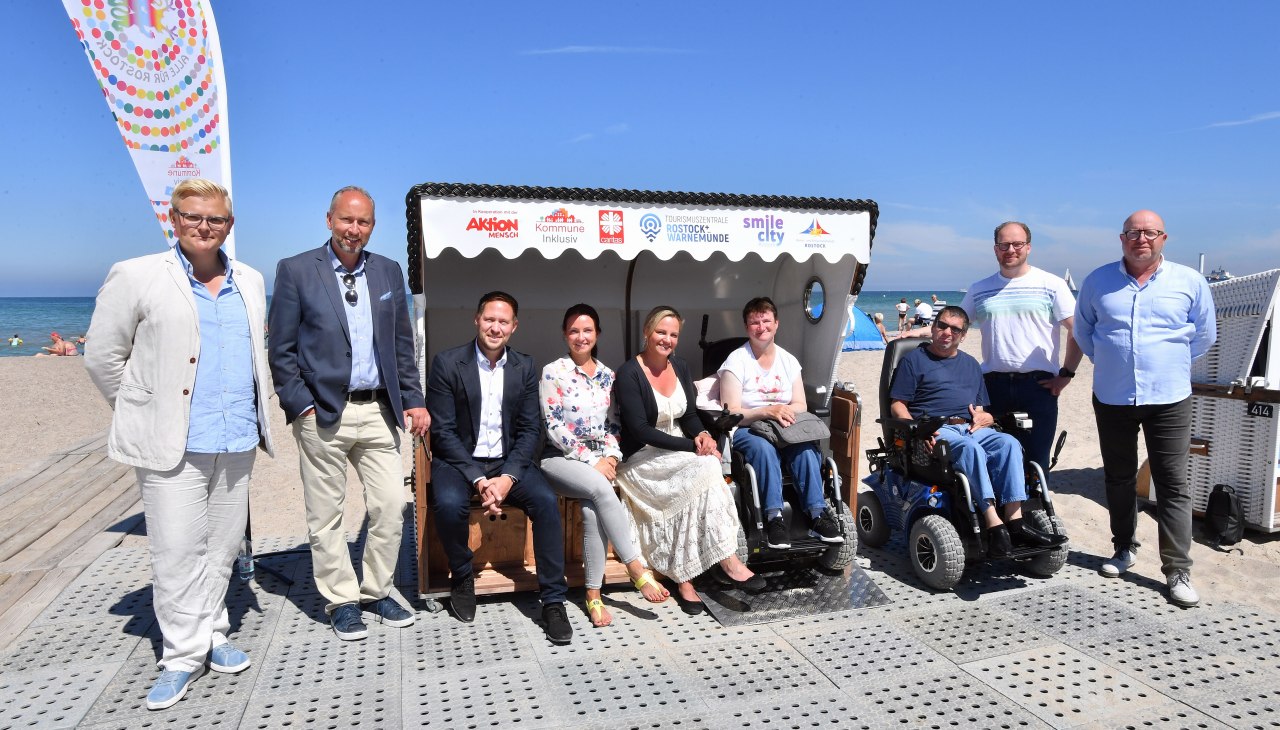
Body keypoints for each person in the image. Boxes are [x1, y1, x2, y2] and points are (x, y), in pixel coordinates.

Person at [84, 178, 273, 710]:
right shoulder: (138, 275)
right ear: (174, 218)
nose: (204, 226)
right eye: (193, 216)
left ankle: (212, 630)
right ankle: (181, 655)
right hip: (173, 444)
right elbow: (102, 356)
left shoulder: (252, 281)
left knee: (221, 547)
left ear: (229, 226)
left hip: (237, 437)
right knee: (175, 550)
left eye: (215, 219)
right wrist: (144, 410)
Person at [268, 186, 428, 641]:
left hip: (379, 408)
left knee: (391, 506)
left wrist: (413, 398)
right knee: (327, 514)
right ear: (329, 220)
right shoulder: (297, 270)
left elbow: (402, 346)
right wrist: (299, 404)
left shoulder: (388, 271)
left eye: (363, 223)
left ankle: (376, 591)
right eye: (346, 220)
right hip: (322, 413)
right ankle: (341, 599)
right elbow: (281, 349)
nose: (354, 230)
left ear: (373, 226)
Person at [1074, 210, 1215, 608]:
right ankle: (1123, 549)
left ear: (1163, 238)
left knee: (1173, 484)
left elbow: (1204, 335)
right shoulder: (1097, 281)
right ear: (1122, 239)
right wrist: (1113, 361)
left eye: (1149, 232)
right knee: (1118, 477)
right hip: (1112, 395)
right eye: (1133, 232)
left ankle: (1177, 570)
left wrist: (1164, 362)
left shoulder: (1189, 281)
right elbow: (1084, 332)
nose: (1141, 239)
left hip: (1169, 396)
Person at [427, 291, 573, 643]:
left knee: (546, 503)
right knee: (447, 503)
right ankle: (461, 573)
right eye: (489, 319)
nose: (495, 327)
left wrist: (507, 477)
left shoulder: (524, 366)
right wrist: (479, 479)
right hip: (461, 460)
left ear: (514, 326)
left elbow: (529, 429)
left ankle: (553, 599)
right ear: (476, 320)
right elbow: (443, 432)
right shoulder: (447, 363)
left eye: (503, 321)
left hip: (508, 462)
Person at [614, 306, 764, 615]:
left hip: (678, 452)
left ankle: (697, 573)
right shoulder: (629, 373)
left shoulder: (680, 366)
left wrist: (703, 436)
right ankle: (722, 563)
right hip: (642, 458)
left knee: (708, 465)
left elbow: (691, 416)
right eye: (661, 332)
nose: (666, 339)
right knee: (704, 468)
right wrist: (690, 445)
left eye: (673, 335)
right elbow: (639, 430)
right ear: (646, 332)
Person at [888, 306, 1068, 555]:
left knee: (1009, 443)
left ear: (963, 335)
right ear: (933, 327)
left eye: (955, 329)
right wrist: (918, 431)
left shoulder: (971, 364)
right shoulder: (914, 360)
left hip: (969, 426)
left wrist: (985, 416)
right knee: (970, 448)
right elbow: (898, 404)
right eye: (942, 326)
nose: (946, 332)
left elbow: (980, 407)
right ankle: (994, 524)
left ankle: (1014, 521)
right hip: (937, 429)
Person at [540, 303, 669, 627]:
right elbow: (553, 427)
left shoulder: (608, 376)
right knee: (598, 487)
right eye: (573, 330)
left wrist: (611, 457)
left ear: (597, 333)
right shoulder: (553, 372)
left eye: (587, 330)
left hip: (599, 462)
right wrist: (592, 461)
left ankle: (593, 596)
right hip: (558, 458)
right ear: (564, 334)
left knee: (591, 508)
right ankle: (635, 567)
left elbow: (614, 426)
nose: (580, 336)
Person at [718, 297, 843, 550]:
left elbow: (800, 404)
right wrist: (767, 411)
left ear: (776, 324)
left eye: (766, 320)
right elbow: (732, 412)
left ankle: (817, 514)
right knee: (764, 450)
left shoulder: (788, 361)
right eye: (755, 322)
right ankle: (774, 517)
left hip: (784, 425)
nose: (761, 326)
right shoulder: (736, 361)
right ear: (746, 327)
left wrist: (781, 413)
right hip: (747, 428)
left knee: (806, 448)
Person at [961, 221, 1084, 470]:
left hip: (1038, 386)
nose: (1011, 249)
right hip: (992, 385)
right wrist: (915, 332)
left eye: (1017, 244)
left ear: (1028, 247)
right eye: (1004, 244)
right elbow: (955, 324)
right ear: (995, 249)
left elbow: (1078, 331)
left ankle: (1037, 508)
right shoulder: (979, 289)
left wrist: (1066, 375)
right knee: (993, 457)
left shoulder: (1052, 284)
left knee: (1036, 459)